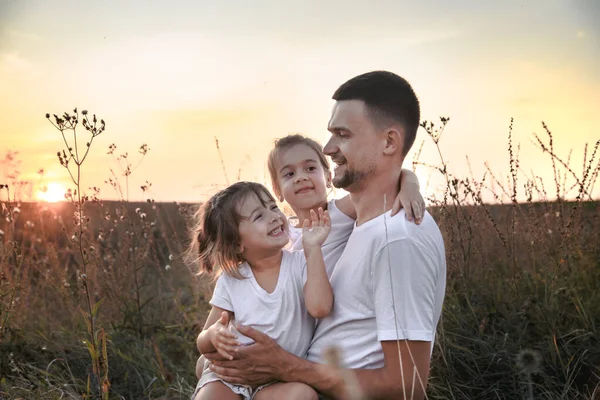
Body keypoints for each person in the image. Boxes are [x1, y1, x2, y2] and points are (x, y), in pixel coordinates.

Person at [204, 71, 447, 400]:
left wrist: (286, 367)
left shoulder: (397, 239)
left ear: (389, 142)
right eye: (331, 134)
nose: (329, 148)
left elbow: (408, 386)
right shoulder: (359, 224)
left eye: (343, 135)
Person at [194, 134, 426, 381]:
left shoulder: (339, 213)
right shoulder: (283, 238)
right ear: (277, 190)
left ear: (328, 177)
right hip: (289, 330)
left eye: (310, 168)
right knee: (203, 365)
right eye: (289, 174)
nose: (301, 177)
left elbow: (383, 180)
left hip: (318, 333)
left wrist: (410, 184)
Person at [190, 181, 333, 400]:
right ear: (237, 243)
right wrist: (214, 335)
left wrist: (313, 249)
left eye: (273, 207)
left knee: (303, 395)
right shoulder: (232, 279)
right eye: (259, 216)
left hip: (279, 380)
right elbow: (203, 340)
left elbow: (321, 307)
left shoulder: (300, 263)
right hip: (233, 377)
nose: (274, 216)